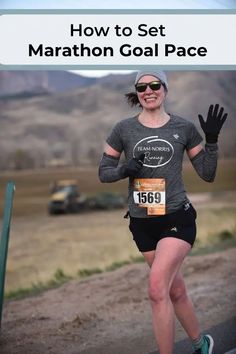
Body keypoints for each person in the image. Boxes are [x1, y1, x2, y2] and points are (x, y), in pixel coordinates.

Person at [98, 70, 227, 354]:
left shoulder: (183, 127)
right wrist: (124, 170)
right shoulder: (123, 130)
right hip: (142, 222)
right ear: (137, 93)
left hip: (176, 218)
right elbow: (103, 173)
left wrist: (213, 141)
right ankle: (201, 344)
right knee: (174, 290)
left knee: (157, 290)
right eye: (142, 87)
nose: (149, 90)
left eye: (155, 84)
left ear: (164, 89)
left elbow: (207, 173)